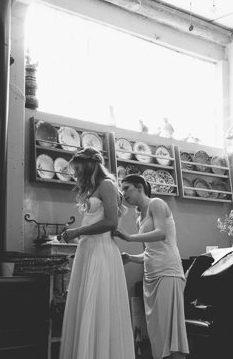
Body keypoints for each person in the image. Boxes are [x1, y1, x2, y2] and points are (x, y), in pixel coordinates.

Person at [59, 147, 134, 359]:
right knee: (86, 305)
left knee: (98, 304)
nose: (76, 173)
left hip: (101, 250)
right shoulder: (93, 189)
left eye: (78, 168)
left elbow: (111, 222)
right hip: (88, 250)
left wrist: (78, 231)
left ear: (89, 165)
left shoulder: (107, 185)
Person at [115, 174, 189, 359]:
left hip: (167, 272)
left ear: (140, 187)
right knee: (157, 334)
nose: (123, 194)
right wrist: (130, 258)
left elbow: (161, 233)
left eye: (126, 188)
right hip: (150, 277)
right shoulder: (139, 218)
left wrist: (129, 237)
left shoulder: (157, 203)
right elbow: (149, 252)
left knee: (169, 334)